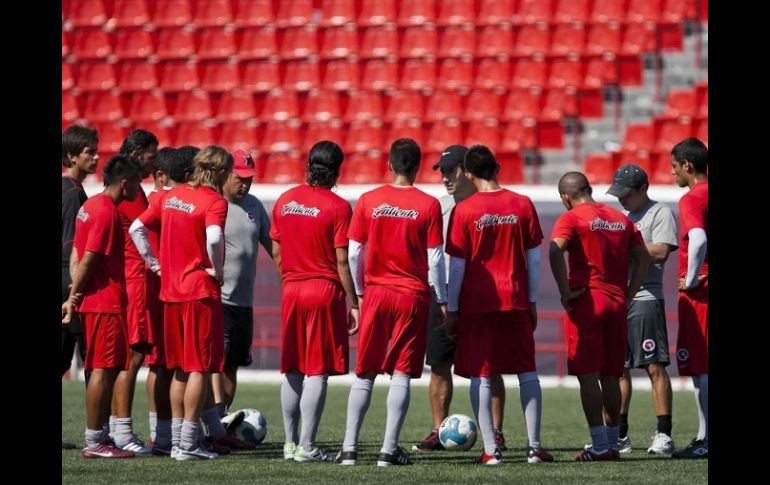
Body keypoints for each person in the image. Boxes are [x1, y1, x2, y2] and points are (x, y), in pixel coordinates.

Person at [338, 138, 446, 467]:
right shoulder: (429, 205)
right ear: (416, 167)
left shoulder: (369, 200)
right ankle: (388, 450)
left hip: (376, 292)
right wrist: (441, 298)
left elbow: (354, 251)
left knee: (365, 372)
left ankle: (349, 449)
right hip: (412, 295)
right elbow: (436, 259)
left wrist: (358, 292)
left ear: (389, 164)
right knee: (401, 373)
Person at [444, 145, 553, 465]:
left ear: (467, 172)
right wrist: (531, 300)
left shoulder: (464, 210)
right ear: (497, 168)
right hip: (516, 299)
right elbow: (534, 261)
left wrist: (451, 308)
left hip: (477, 303)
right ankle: (534, 448)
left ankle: (491, 450)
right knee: (527, 371)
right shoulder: (522, 204)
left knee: (481, 374)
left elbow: (458, 267)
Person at [130, 145, 233, 461]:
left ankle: (176, 440)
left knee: (178, 368)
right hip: (199, 292)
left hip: (170, 292)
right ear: (221, 172)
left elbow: (137, 228)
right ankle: (188, 444)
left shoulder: (170, 197)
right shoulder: (214, 201)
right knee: (199, 367)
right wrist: (217, 268)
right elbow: (214, 238)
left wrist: (157, 265)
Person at [548, 171, 650, 462]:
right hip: (617, 302)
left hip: (587, 301)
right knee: (611, 375)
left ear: (565, 197)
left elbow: (555, 252)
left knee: (588, 375)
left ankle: (599, 445)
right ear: (589, 189)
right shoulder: (621, 218)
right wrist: (629, 292)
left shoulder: (571, 217)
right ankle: (613, 443)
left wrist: (565, 291)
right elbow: (643, 256)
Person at [413, 145, 508, 453]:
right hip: (441, 296)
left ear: (467, 171)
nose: (445, 178)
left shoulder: (490, 205)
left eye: (450, 171)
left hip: (479, 297)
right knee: (439, 364)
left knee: (489, 366)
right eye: (441, 172)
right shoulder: (436, 207)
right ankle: (438, 430)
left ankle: (496, 431)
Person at [271, 141, 359, 463]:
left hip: (292, 289)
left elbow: (277, 251)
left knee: (293, 369)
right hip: (323, 291)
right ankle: (308, 447)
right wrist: (354, 302)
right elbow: (342, 262)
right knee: (317, 371)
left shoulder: (284, 200)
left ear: (308, 165)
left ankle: (290, 444)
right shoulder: (338, 207)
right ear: (336, 170)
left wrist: (291, 280)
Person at [62, 155, 144, 459]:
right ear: (125, 183)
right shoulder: (108, 212)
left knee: (103, 368)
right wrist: (74, 297)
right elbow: (89, 258)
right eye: (137, 182)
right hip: (105, 303)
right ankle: (95, 441)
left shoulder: (89, 206)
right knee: (102, 370)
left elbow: (76, 254)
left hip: (96, 301)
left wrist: (76, 291)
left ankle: (101, 436)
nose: (139, 188)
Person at [606, 163, 678, 455]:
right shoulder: (620, 216)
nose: (622, 200)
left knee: (653, 365)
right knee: (618, 368)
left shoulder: (659, 212)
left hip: (647, 297)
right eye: (619, 194)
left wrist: (624, 250)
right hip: (620, 298)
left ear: (643, 189)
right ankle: (620, 435)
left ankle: (664, 434)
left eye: (627, 194)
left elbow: (661, 250)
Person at [212, 149, 273, 415]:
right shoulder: (213, 203)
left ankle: (222, 419)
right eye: (240, 177)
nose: (245, 183)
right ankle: (209, 422)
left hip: (243, 303)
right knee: (215, 363)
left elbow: (273, 246)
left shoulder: (255, 206)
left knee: (232, 365)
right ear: (224, 174)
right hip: (217, 300)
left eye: (249, 178)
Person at [110, 129, 159, 454]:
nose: (154, 161)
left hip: (132, 277)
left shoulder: (133, 189)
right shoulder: (131, 192)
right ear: (139, 153)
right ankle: (122, 432)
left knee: (128, 356)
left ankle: (117, 429)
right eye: (152, 155)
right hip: (136, 279)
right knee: (133, 355)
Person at [669, 137, 708, 460]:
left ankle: (705, 438)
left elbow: (697, 237)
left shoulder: (692, 198)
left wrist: (692, 278)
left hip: (703, 295)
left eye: (674, 167)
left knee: (702, 367)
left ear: (688, 166)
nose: (672, 174)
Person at [61, 124, 99, 449]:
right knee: (93, 360)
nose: (96, 156)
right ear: (72, 155)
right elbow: (71, 250)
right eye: (89, 151)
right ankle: (98, 434)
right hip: (68, 289)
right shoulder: (74, 194)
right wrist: (74, 292)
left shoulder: (69, 189)